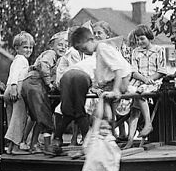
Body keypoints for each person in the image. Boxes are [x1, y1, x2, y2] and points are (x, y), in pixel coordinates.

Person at [51, 27, 132, 155]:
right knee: (95, 114)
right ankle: (92, 144)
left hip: (116, 80)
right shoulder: (98, 52)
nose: (84, 52)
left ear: (91, 40)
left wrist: (116, 90)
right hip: (101, 81)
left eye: (83, 49)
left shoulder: (103, 49)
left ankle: (90, 144)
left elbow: (119, 69)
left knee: (96, 115)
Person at [21, 31, 67, 152]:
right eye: (60, 44)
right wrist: (49, 83)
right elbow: (43, 64)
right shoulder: (51, 54)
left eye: (65, 45)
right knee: (45, 115)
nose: (64, 47)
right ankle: (46, 146)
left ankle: (33, 143)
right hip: (35, 82)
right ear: (52, 46)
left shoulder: (59, 59)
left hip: (33, 83)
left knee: (39, 116)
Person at [123, 24, 166, 146]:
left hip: (154, 82)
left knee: (140, 91)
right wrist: (143, 78)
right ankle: (130, 141)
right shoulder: (136, 52)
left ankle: (148, 123)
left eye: (142, 38)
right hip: (140, 81)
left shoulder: (158, 50)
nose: (139, 42)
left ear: (149, 37)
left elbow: (161, 70)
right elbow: (134, 71)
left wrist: (149, 79)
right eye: (137, 39)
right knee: (133, 108)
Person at [3, 31, 34, 154]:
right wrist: (15, 87)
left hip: (9, 89)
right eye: (25, 47)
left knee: (12, 119)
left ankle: (10, 148)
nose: (28, 50)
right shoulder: (21, 60)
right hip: (15, 89)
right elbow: (15, 74)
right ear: (17, 48)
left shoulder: (18, 59)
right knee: (19, 118)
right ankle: (16, 147)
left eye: (30, 47)